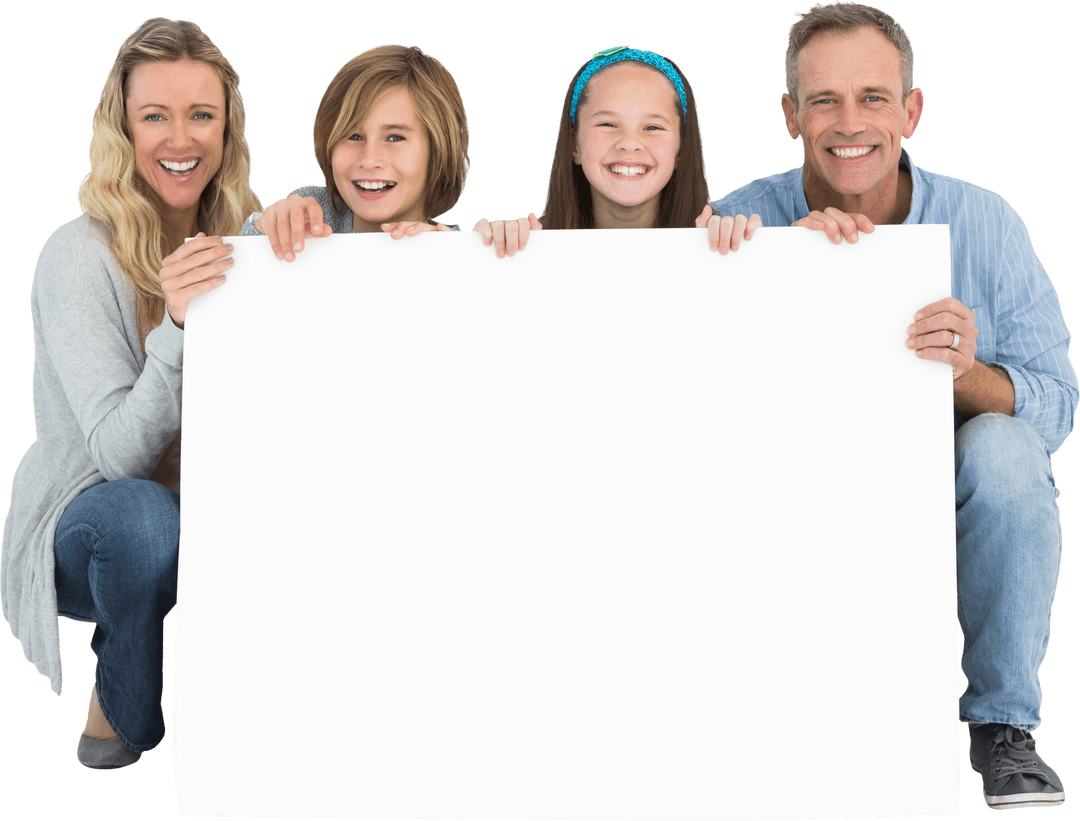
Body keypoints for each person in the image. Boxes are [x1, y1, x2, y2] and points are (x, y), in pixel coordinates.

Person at [711, 1, 1076, 811]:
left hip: (943, 492)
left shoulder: (988, 221)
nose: (849, 123)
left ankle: (1001, 727)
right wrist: (767, 289)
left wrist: (966, 372)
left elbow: (1054, 407)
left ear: (911, 110)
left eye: (873, 97)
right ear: (788, 115)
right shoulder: (740, 219)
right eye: (823, 101)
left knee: (1006, 452)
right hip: (798, 489)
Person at [0, 18, 261, 770]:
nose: (180, 138)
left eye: (201, 115)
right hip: (90, 524)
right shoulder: (77, 255)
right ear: (123, 127)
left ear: (226, 127)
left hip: (205, 504)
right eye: (155, 116)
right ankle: (123, 710)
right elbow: (117, 457)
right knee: (142, 518)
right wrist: (178, 324)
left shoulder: (241, 238)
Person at [472, 45, 760, 256]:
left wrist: (741, 251)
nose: (629, 143)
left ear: (681, 149)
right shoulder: (528, 247)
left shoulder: (723, 242)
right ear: (574, 144)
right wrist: (488, 254)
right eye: (608, 123)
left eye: (652, 127)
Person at [243, 44, 469, 256]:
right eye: (353, 136)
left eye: (395, 137)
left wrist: (488, 257)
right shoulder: (310, 216)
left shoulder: (465, 253)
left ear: (439, 150)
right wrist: (262, 233)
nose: (369, 160)